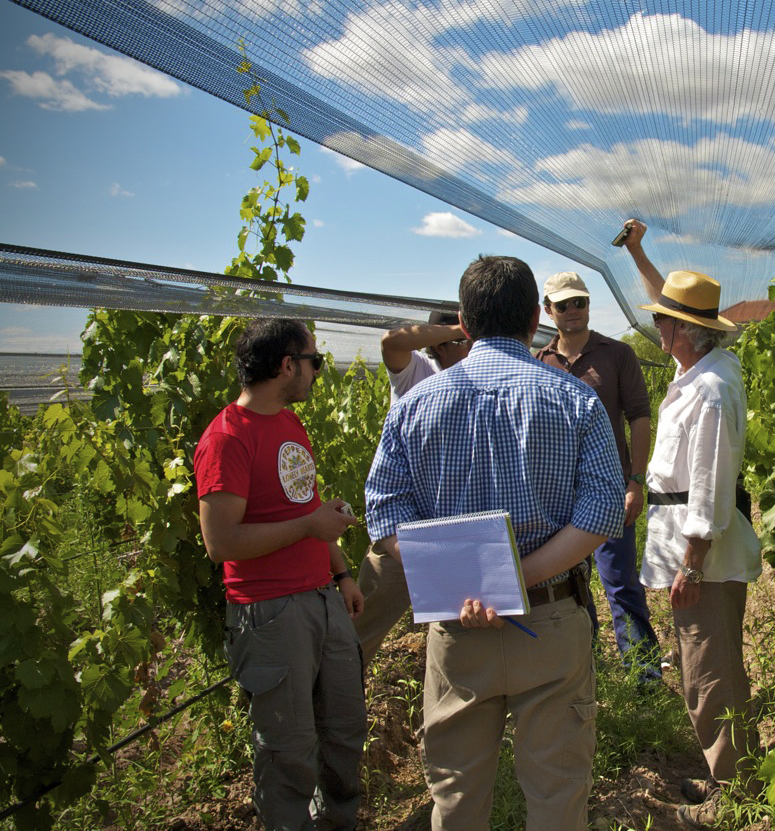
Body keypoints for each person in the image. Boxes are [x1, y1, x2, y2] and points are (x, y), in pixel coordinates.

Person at [364, 255, 624, 831]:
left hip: (458, 632)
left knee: (456, 804)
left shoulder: (414, 407)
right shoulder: (575, 399)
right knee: (558, 803)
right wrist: (516, 577)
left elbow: (383, 518)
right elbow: (603, 512)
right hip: (550, 621)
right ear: (537, 319)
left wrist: (465, 581)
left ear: (464, 321)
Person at [194, 318, 366, 830]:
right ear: (287, 365)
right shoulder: (227, 439)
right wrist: (309, 524)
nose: (316, 371)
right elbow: (220, 542)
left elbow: (304, 509)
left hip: (322, 600)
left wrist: (342, 572)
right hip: (270, 614)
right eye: (312, 361)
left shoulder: (290, 424)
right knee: (288, 752)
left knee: (344, 732)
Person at [621, 220, 764, 828]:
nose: (655, 327)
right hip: (697, 551)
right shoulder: (701, 375)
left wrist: (692, 562)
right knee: (715, 666)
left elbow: (708, 483)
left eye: (661, 320)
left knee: (708, 672)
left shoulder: (708, 390)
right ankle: (731, 775)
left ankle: (734, 796)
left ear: (684, 330)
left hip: (702, 558)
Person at [535, 271, 662, 685]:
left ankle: (644, 678)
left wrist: (635, 480)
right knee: (572, 588)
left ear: (588, 305)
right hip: (558, 499)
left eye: (580, 302)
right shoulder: (540, 362)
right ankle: (585, 674)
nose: (574, 311)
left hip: (608, 491)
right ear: (547, 310)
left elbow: (639, 418)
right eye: (564, 304)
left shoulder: (617, 354)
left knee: (621, 584)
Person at [354, 310, 471, 662]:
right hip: (402, 532)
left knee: (461, 631)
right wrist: (459, 327)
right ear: (439, 343)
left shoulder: (477, 376)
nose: (470, 346)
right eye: (462, 341)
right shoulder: (416, 372)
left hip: (453, 529)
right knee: (358, 636)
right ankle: (334, 703)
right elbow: (391, 342)